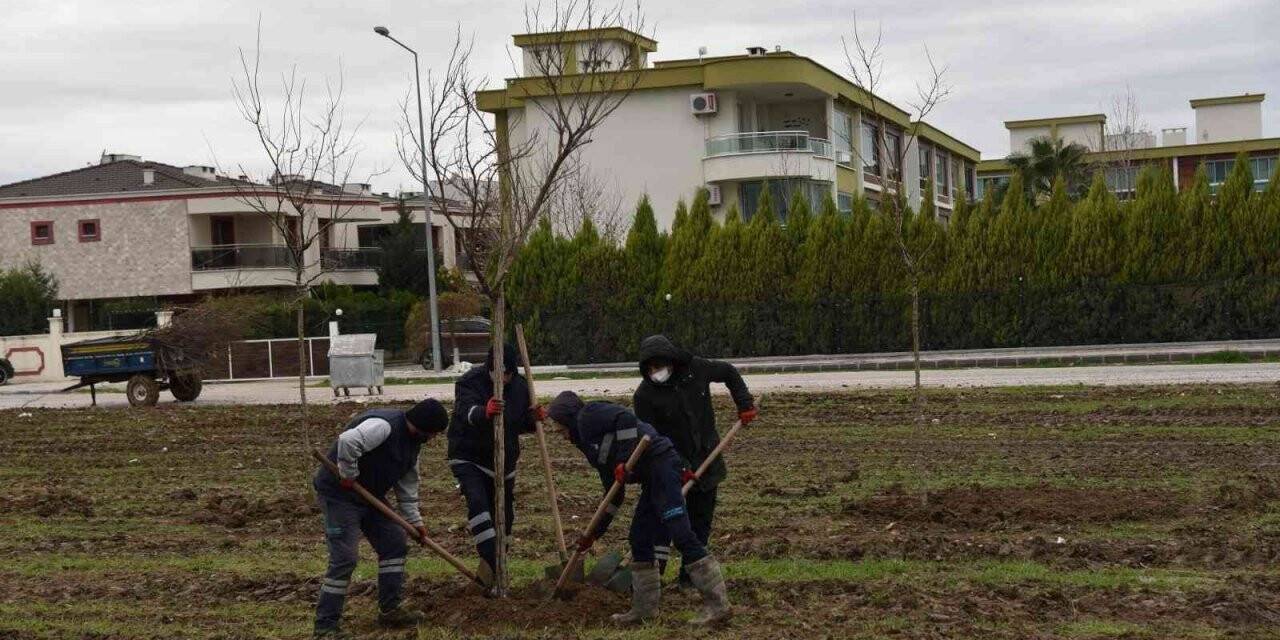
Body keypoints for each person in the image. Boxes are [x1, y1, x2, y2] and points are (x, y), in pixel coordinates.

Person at [547, 390, 732, 626]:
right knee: (639, 537)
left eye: (558, 426)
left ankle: (719, 605)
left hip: (662, 465)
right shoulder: (588, 446)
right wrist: (593, 535)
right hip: (651, 479)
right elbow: (614, 496)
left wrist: (624, 458)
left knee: (680, 532)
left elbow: (624, 418)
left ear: (567, 417)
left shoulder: (588, 415)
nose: (559, 433)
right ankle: (644, 609)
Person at [311, 398, 450, 639]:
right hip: (339, 495)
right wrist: (348, 472)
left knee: (394, 543)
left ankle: (390, 610)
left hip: (369, 495)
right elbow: (348, 441)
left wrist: (415, 522)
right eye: (434, 433)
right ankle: (325, 627)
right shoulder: (383, 426)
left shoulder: (412, 446)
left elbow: (407, 488)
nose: (433, 439)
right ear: (423, 427)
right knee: (345, 559)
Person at [632, 335, 756, 585]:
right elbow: (652, 437)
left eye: (660, 366)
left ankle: (688, 579)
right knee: (665, 524)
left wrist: (744, 403)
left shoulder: (696, 369)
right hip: (670, 467)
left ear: (672, 361)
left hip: (708, 459)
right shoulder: (644, 396)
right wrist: (681, 466)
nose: (657, 372)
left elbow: (729, 373)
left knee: (700, 522)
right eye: (651, 368)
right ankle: (654, 578)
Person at [446, 343, 543, 586]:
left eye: (509, 375)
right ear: (489, 369)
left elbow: (518, 423)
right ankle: (491, 559)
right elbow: (465, 412)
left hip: (504, 459)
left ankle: (496, 566)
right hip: (470, 456)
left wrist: (534, 420)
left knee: (505, 513)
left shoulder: (520, 387)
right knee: (479, 503)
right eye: (500, 374)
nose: (505, 379)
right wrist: (483, 412)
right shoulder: (469, 382)